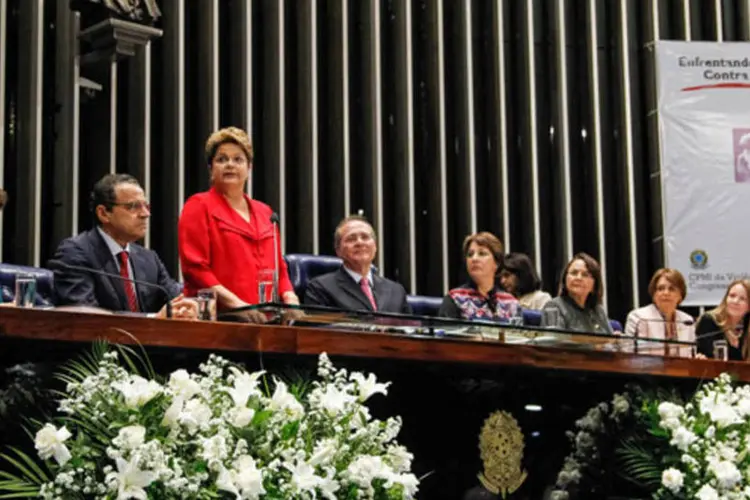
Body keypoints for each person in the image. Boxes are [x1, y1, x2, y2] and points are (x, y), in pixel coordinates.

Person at [178, 127, 299, 322]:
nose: (230, 165)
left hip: (266, 319)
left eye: (238, 159)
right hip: (219, 318)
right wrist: (237, 305)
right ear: (211, 169)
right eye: (222, 159)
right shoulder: (199, 206)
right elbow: (195, 270)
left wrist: (290, 297)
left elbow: (280, 269)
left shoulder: (266, 213)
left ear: (248, 168)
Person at [49, 174, 197, 319]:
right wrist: (151, 318)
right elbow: (85, 316)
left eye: (146, 206)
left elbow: (175, 299)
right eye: (133, 207)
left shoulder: (149, 259)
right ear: (104, 213)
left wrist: (187, 308)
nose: (145, 214)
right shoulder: (75, 254)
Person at [304, 215, 411, 313]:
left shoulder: (396, 291)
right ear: (338, 250)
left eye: (365, 237)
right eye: (351, 239)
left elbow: (410, 330)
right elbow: (319, 331)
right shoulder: (320, 288)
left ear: (375, 246)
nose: (359, 243)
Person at [438, 232, 519, 321]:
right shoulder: (454, 299)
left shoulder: (511, 303)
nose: (474, 259)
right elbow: (445, 333)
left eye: (482, 253)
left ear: (497, 263)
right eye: (470, 254)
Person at [624, 268, 695, 357]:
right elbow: (629, 356)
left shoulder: (687, 321)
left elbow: (689, 356)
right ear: (654, 294)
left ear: (680, 295)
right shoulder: (638, 317)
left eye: (671, 289)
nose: (666, 293)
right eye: (660, 289)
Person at [541, 252, 613, 334]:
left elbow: (610, 341)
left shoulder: (598, 311)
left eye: (585, 275)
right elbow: (553, 342)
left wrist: (615, 341)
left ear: (594, 284)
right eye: (574, 273)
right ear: (565, 279)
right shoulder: (554, 306)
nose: (578, 278)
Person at [695, 279, 750, 361]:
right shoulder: (709, 321)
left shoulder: (747, 324)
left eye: (742, 299)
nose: (735, 301)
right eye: (732, 296)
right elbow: (710, 357)